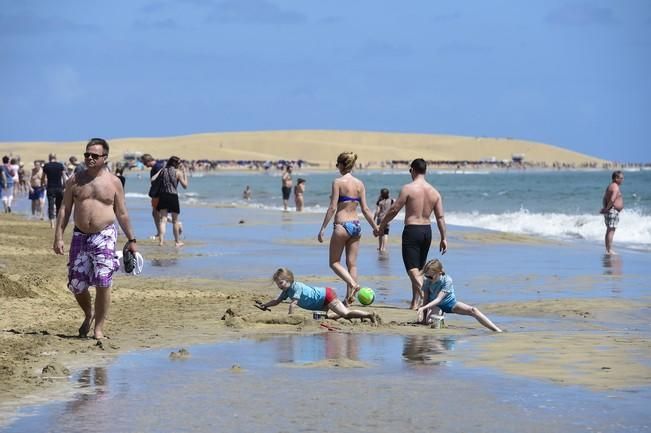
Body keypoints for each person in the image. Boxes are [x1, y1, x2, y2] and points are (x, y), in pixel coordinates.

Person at [53, 138, 137, 340]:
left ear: (105, 158)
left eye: (94, 155)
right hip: (80, 236)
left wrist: (131, 239)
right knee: (76, 284)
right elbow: (65, 209)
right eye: (87, 154)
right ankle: (88, 313)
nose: (89, 158)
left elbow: (122, 212)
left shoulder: (114, 182)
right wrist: (58, 236)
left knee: (103, 280)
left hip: (105, 235)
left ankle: (99, 328)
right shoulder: (75, 180)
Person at [375, 158, 447, 310]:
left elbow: (394, 209)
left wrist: (381, 225)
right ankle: (415, 303)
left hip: (412, 230)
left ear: (413, 170)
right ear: (425, 171)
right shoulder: (434, 192)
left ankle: (429, 297)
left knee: (411, 268)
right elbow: (440, 217)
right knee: (420, 268)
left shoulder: (408, 188)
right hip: (427, 231)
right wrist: (443, 238)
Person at [318, 152, 378, 305]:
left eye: (338, 164)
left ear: (343, 165)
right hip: (357, 226)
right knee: (352, 264)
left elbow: (332, 207)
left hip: (342, 226)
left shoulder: (338, 182)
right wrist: (375, 226)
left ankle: (353, 284)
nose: (337, 167)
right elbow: (365, 209)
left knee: (334, 262)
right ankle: (348, 298)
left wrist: (323, 228)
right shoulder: (359, 184)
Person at [259, 267, 380, 324]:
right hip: (320, 303)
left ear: (289, 279)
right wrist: (265, 305)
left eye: (281, 283)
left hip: (326, 296)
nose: (279, 286)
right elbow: (276, 301)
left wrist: (290, 318)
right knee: (321, 317)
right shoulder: (286, 290)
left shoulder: (296, 287)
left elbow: (293, 304)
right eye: (277, 284)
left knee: (346, 314)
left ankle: (369, 315)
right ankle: (347, 305)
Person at [417, 259, 501, 332]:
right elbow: (426, 298)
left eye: (431, 276)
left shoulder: (447, 280)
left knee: (473, 310)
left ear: (440, 273)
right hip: (435, 305)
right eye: (426, 275)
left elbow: (439, 299)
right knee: (430, 322)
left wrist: (423, 308)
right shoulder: (427, 281)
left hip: (450, 304)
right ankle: (439, 315)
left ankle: (497, 330)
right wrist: (424, 318)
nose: (428, 278)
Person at [153, 156, 188, 247]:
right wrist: (184, 173)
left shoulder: (163, 171)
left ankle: (161, 241)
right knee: (175, 221)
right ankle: (177, 242)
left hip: (163, 195)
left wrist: (161, 172)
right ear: (176, 164)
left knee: (163, 220)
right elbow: (185, 186)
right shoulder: (178, 172)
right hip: (173, 196)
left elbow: (153, 179)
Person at [140, 154, 164, 240]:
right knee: (157, 214)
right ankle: (159, 232)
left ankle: (160, 233)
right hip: (156, 193)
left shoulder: (158, 167)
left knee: (158, 214)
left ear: (148, 161)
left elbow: (161, 181)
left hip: (158, 194)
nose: (144, 165)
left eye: (144, 162)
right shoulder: (156, 167)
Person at [600, 171, 624, 255]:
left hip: (609, 210)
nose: (622, 180)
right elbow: (612, 199)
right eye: (621, 178)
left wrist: (605, 208)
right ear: (616, 178)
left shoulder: (609, 186)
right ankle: (609, 250)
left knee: (609, 230)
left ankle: (608, 249)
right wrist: (607, 209)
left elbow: (604, 198)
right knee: (611, 231)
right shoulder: (615, 187)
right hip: (612, 211)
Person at [42, 153, 68, 228]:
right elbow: (63, 176)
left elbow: (43, 177)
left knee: (50, 205)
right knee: (59, 206)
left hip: (50, 188)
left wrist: (42, 183)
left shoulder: (46, 166)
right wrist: (65, 186)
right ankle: (58, 222)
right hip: (59, 188)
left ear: (49, 157)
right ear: (56, 158)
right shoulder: (60, 165)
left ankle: (52, 223)